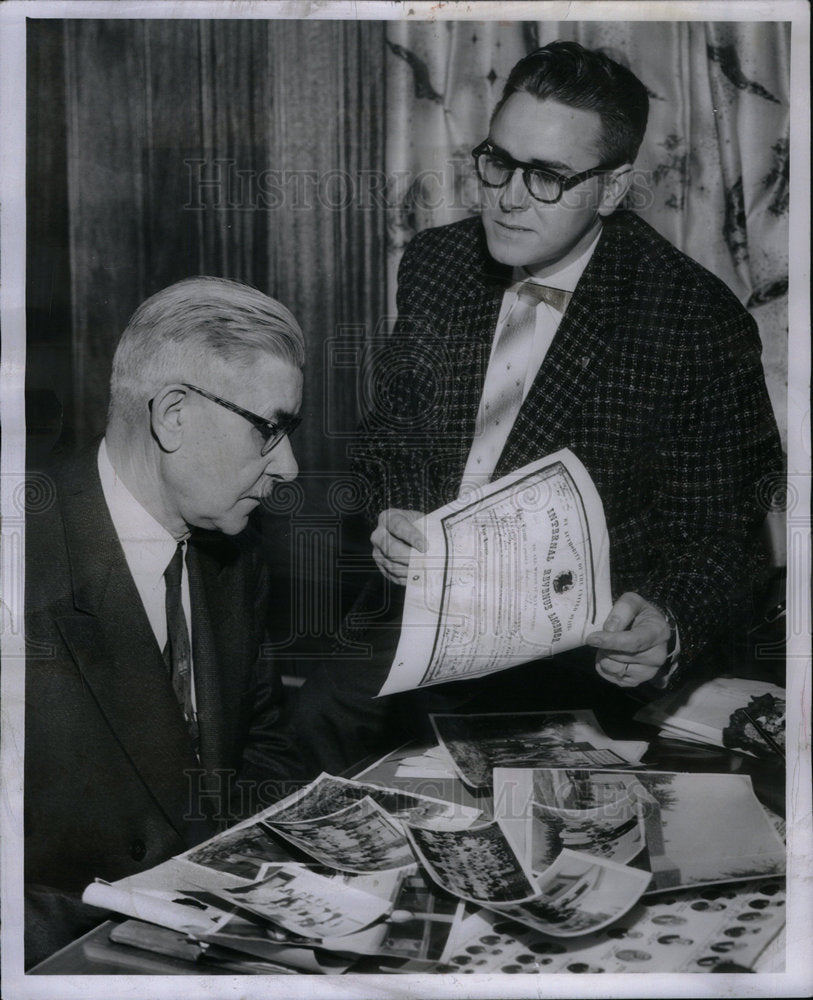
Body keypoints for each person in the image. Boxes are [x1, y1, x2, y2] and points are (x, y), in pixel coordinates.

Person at [289, 40, 783, 774]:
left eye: (548, 176)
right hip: (431, 619)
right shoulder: (436, 264)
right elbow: (392, 433)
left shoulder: (693, 321)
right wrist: (394, 512)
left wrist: (665, 622)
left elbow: (720, 538)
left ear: (612, 189)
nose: (508, 196)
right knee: (309, 729)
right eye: (497, 161)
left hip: (580, 656)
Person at [24, 276, 307, 964]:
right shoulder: (21, 561)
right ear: (173, 414)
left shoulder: (231, 557)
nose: (289, 467)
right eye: (270, 429)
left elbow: (260, 751)